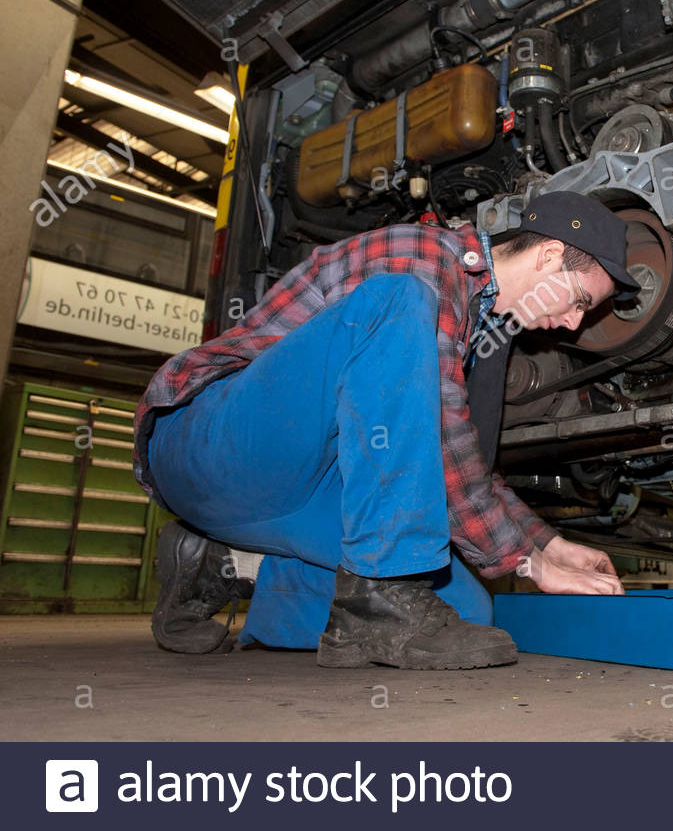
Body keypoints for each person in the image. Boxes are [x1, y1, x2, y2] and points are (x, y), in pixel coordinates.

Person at [133, 190, 640, 669]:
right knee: (398, 301)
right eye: (578, 299)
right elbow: (444, 447)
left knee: (463, 611)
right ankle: (380, 595)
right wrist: (528, 563)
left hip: (284, 497)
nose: (574, 323)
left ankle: (225, 565)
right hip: (210, 443)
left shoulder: (482, 327)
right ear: (550, 255)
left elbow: (461, 467)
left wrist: (548, 545)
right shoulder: (422, 258)